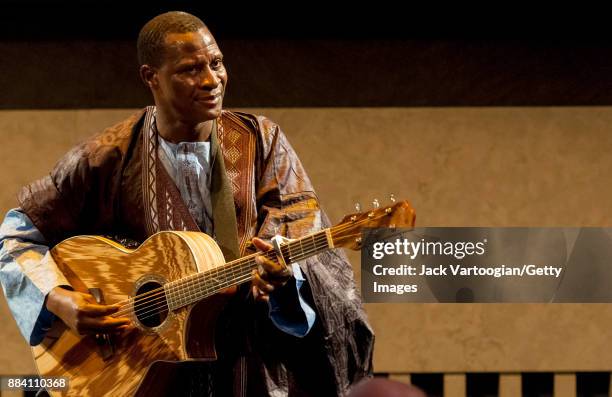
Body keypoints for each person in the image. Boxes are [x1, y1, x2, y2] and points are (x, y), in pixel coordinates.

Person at [0, 11, 373, 397]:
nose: (212, 80)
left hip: (249, 373)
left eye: (217, 63)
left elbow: (298, 221)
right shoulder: (106, 156)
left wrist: (281, 276)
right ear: (151, 77)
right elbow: (16, 237)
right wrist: (59, 299)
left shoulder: (262, 141)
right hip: (145, 376)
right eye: (191, 69)